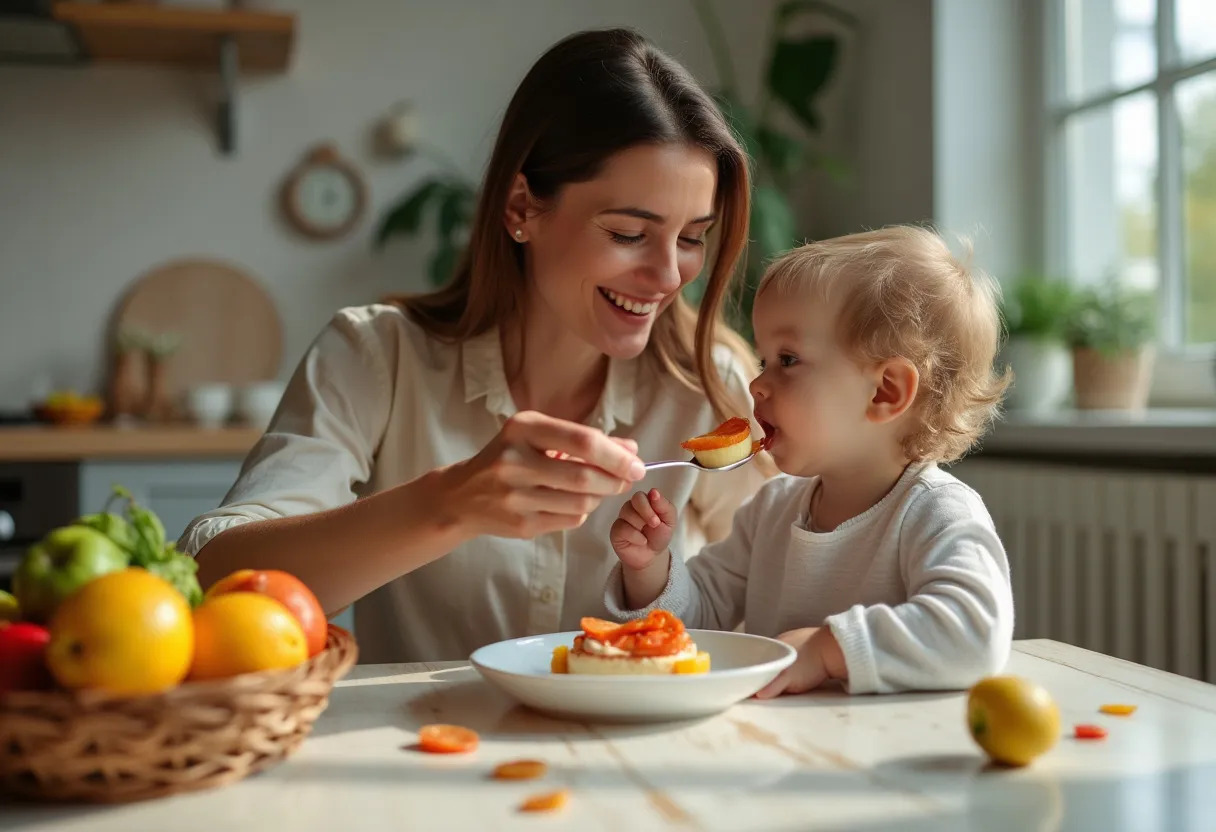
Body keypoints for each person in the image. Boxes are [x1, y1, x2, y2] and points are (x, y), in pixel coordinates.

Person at [181, 28, 769, 664]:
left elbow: (774, 597)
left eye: (691, 238)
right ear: (522, 206)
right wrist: (450, 504)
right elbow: (211, 577)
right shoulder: (376, 357)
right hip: (421, 752)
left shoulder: (714, 389)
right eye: (629, 233)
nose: (668, 276)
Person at [605, 226, 1015, 696]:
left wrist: (826, 651)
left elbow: (974, 634)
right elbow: (698, 621)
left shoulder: (935, 513)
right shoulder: (771, 510)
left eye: (788, 359)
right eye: (762, 362)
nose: (757, 385)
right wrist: (650, 569)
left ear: (885, 392)